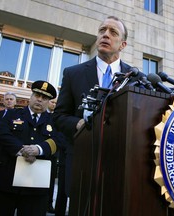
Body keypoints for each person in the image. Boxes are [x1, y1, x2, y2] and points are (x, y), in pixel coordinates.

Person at [53, 15, 131, 199]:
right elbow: (59, 117)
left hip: (120, 169)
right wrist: (79, 124)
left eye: (113, 32)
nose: (105, 35)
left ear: (122, 45)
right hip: (82, 165)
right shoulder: (73, 74)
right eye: (102, 30)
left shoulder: (134, 77)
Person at [0, 80, 61, 216]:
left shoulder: (54, 121)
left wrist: (39, 149)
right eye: (37, 95)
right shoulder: (11, 114)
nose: (40, 100)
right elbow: (1, 134)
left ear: (49, 101)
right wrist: (22, 150)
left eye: (45, 98)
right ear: (31, 96)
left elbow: (60, 140)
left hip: (36, 188)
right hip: (5, 182)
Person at [46, 97, 57, 213]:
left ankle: (48, 203)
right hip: (40, 153)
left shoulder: (57, 117)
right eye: (52, 102)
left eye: (55, 103)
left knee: (51, 181)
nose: (53, 104)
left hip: (52, 154)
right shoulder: (42, 115)